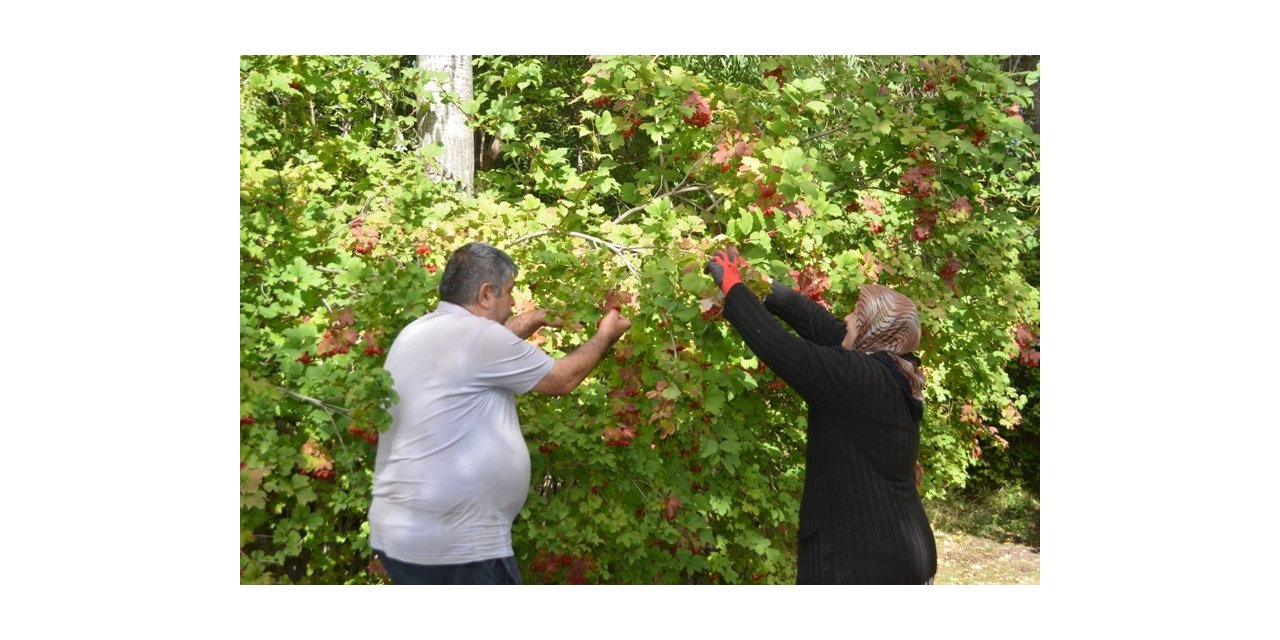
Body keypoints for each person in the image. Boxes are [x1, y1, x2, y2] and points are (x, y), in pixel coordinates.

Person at [368, 241, 631, 584]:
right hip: (456, 544)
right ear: (486, 294)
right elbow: (563, 379)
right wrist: (604, 336)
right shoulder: (478, 338)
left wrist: (535, 319)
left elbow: (478, 351)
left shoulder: (421, 331)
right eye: (509, 292)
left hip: (403, 533)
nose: (512, 302)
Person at [705, 246, 936, 584]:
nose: (846, 320)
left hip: (864, 565)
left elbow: (779, 347)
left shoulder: (858, 379)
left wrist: (734, 289)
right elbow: (821, 324)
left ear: (873, 330)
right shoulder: (894, 367)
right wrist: (763, 285)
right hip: (902, 553)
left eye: (856, 318)